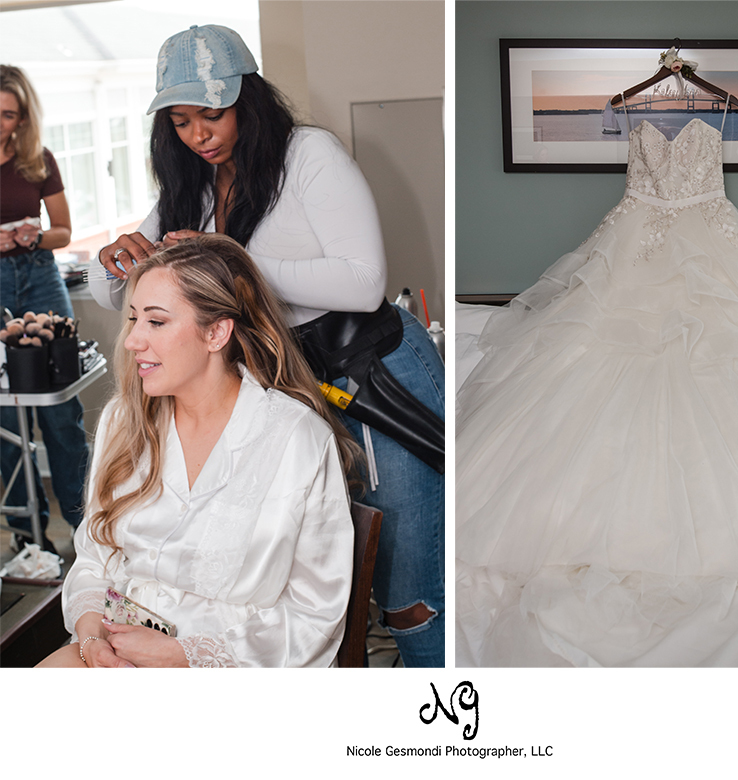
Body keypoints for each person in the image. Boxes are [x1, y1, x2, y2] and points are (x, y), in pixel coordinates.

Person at [456, 79, 738, 666]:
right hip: (632, 256)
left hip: (712, 256)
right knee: (597, 371)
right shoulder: (640, 107)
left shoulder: (712, 107)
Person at [87, 25, 444, 666]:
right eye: (180, 120)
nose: (198, 134)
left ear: (248, 99)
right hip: (289, 373)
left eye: (211, 114)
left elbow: (365, 283)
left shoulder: (309, 154)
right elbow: (109, 284)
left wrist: (232, 260)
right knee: (304, 563)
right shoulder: (191, 184)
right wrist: (116, 260)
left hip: (371, 369)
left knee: (408, 589)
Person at [38, 235, 355, 667]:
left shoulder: (297, 439)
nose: (132, 341)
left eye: (156, 322)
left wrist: (182, 656)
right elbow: (94, 556)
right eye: (133, 319)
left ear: (216, 332)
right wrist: (92, 638)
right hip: (118, 648)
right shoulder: (122, 421)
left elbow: (315, 614)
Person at [1, 64, 89, 556]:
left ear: (23, 116)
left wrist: (35, 235)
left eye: (10, 114)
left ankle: (85, 524)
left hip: (38, 275)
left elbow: (64, 232)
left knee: (61, 407)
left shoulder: (38, 159)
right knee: (6, 418)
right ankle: (29, 536)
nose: (1, 123)